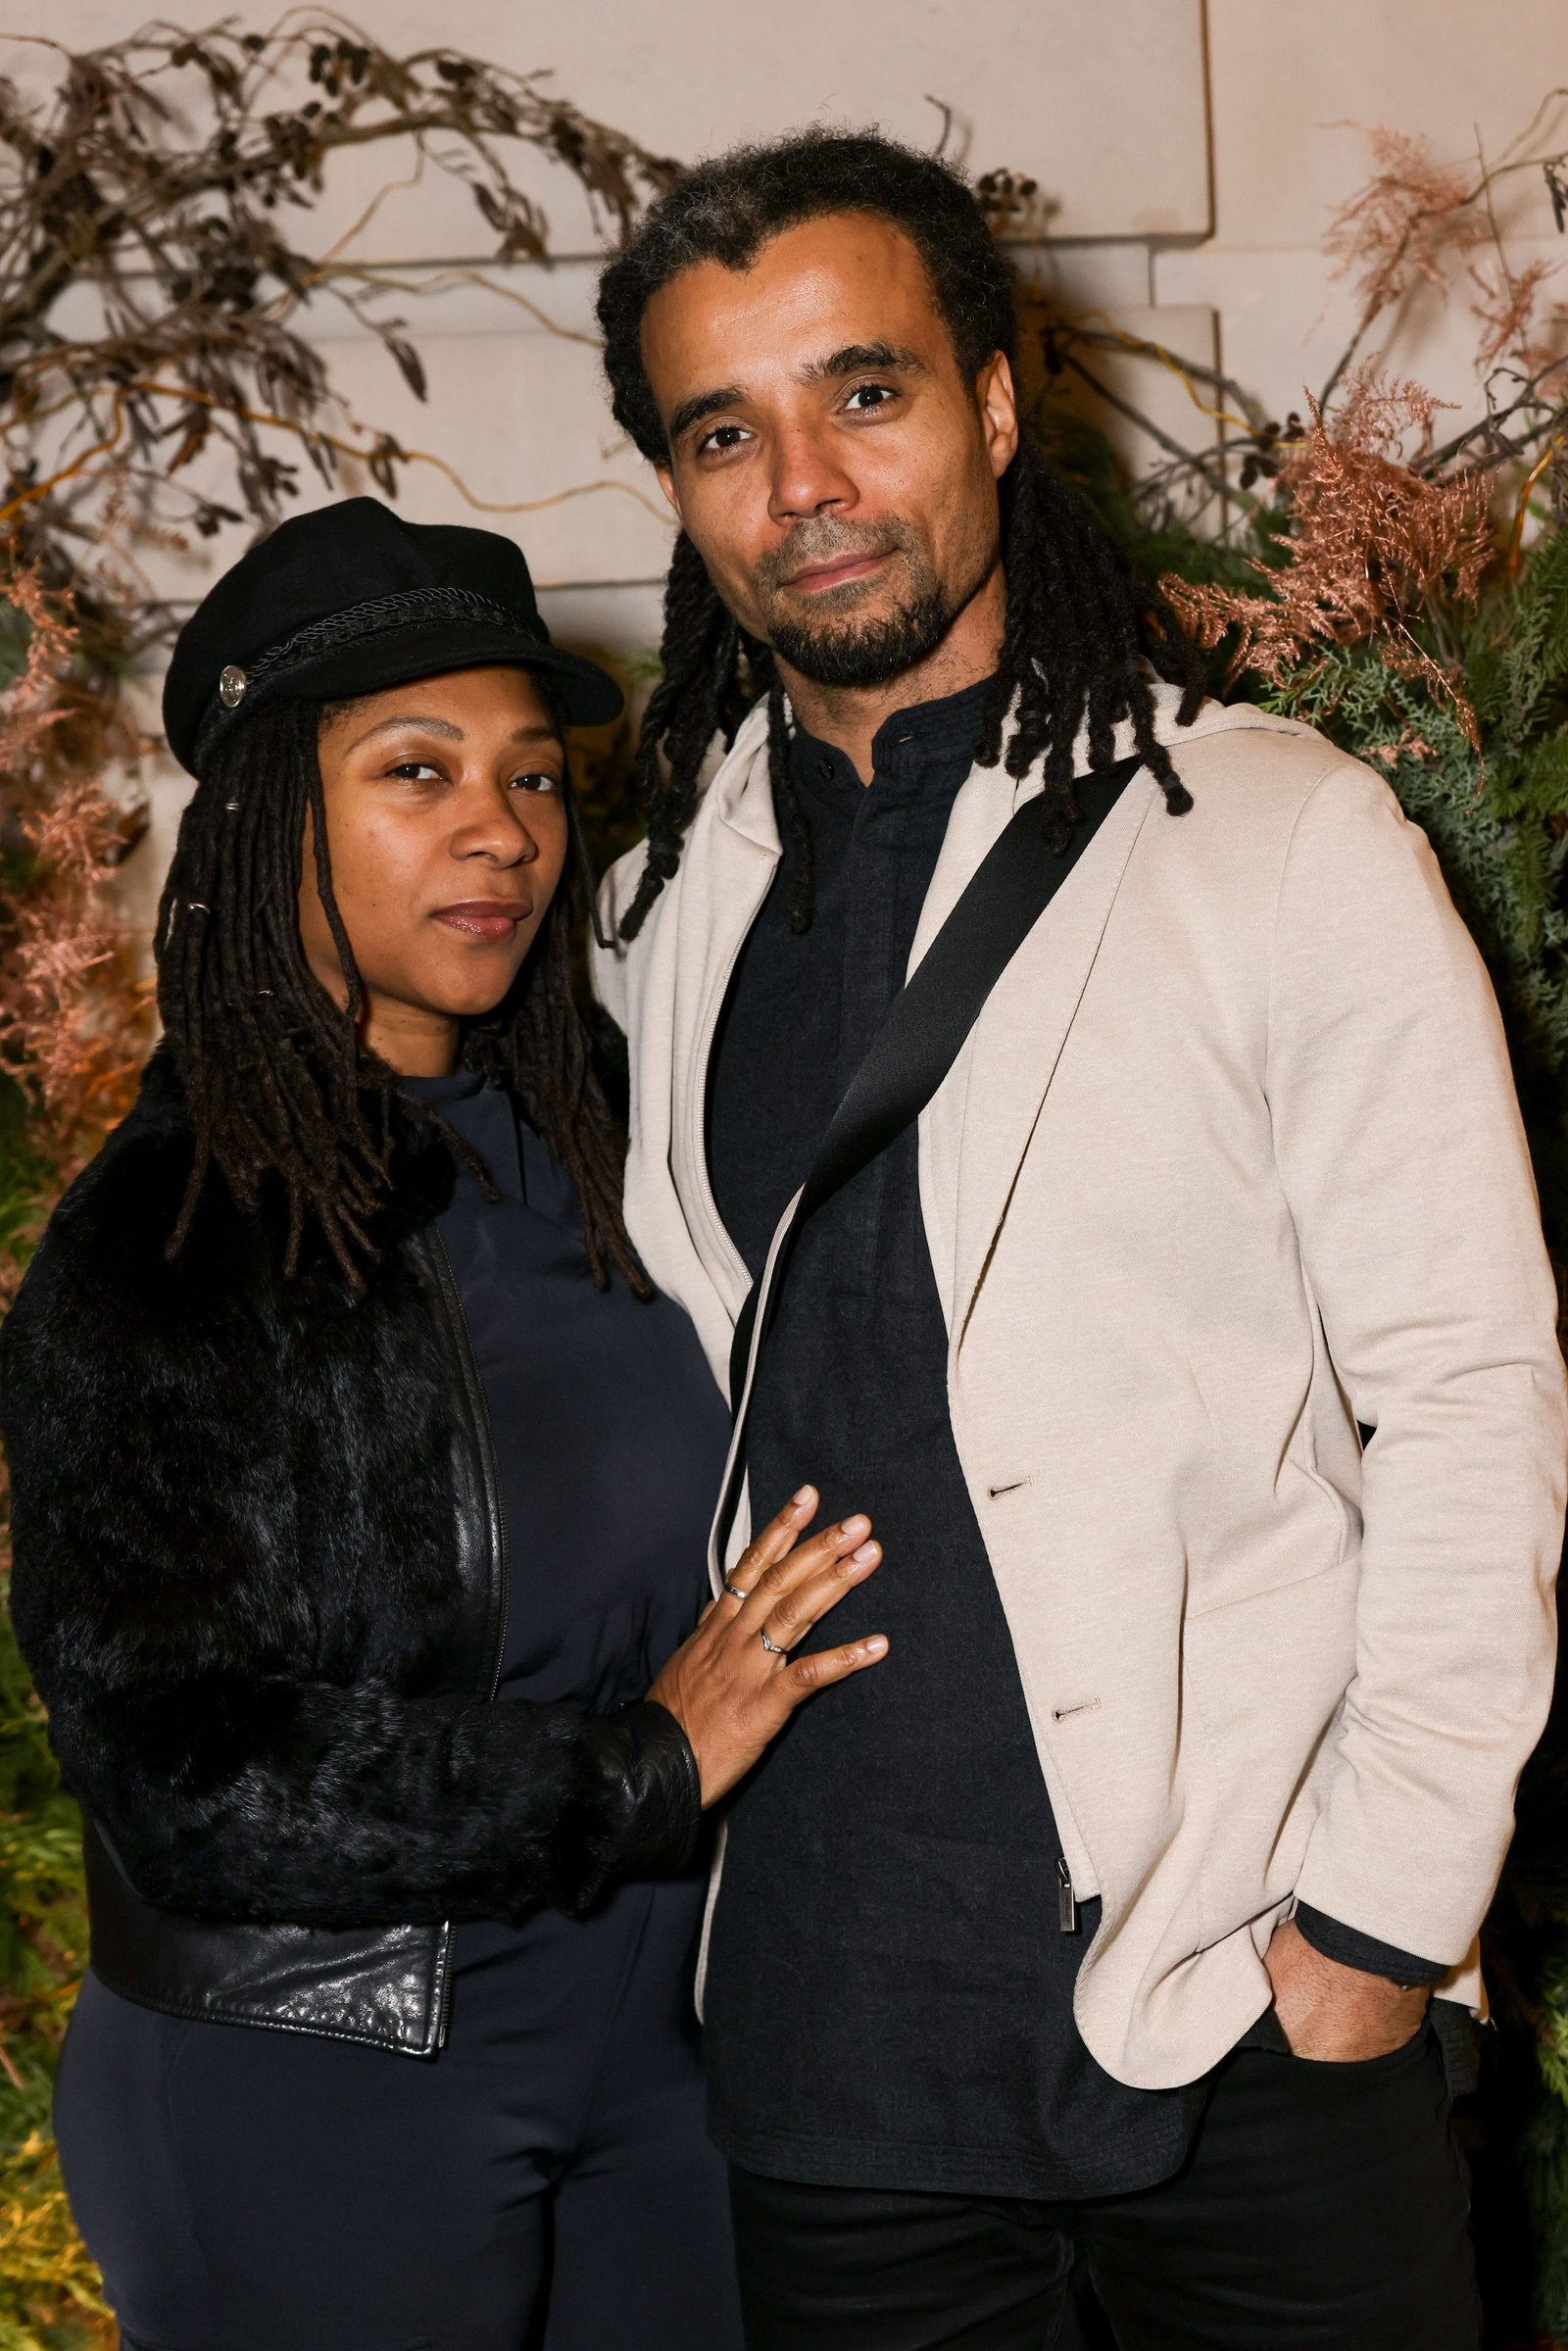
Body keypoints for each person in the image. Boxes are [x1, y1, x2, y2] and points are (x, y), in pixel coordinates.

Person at [589, 129, 1568, 2349]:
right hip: (831, 2048)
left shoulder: (1275, 841)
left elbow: (1469, 1389)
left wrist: (1377, 1923)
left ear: (996, 401)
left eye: (864, 392)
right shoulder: (666, 908)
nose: (804, 483)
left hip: (1237, 2004)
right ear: (673, 488)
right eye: (724, 433)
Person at [0, 498, 888, 2351]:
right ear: (272, 820)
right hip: (318, 2065)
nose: (503, 829)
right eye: (418, 771)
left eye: (534, 777)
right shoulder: (163, 1240)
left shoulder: (616, 1139)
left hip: (663, 2048)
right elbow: (181, 1770)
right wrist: (634, 1772)